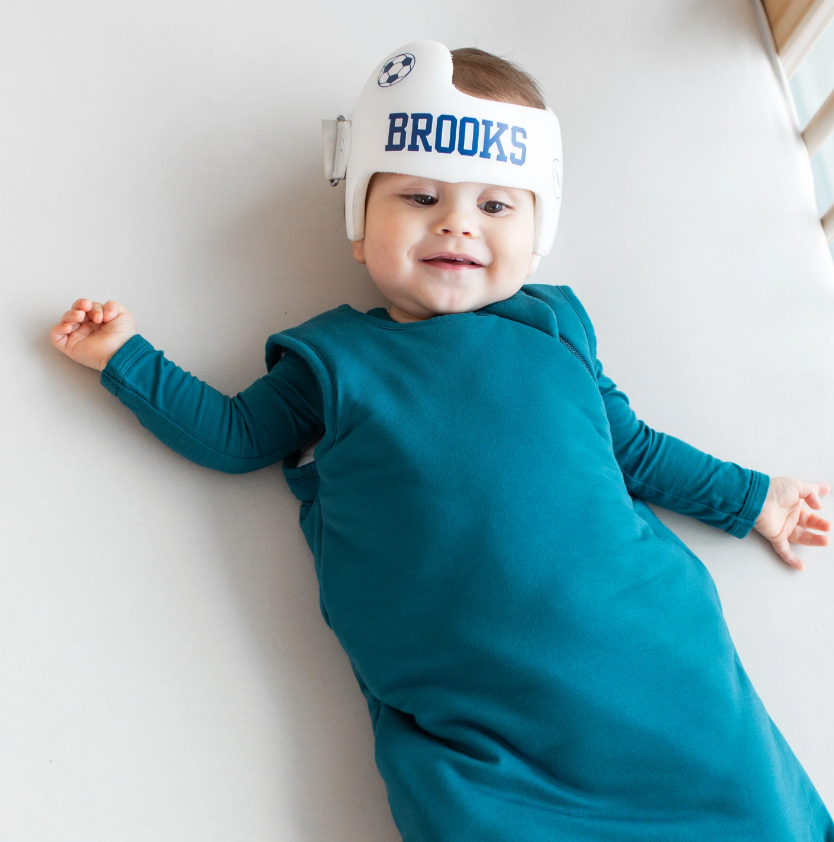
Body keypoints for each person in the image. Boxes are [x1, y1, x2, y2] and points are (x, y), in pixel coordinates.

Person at [49, 41, 833, 841]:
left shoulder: (553, 328)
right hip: (474, 711)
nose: (457, 221)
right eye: (421, 196)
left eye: (496, 206)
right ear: (361, 225)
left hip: (644, 648)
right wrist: (125, 358)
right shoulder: (335, 359)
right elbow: (234, 434)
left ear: (537, 228)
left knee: (743, 797)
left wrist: (752, 498)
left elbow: (631, 449)